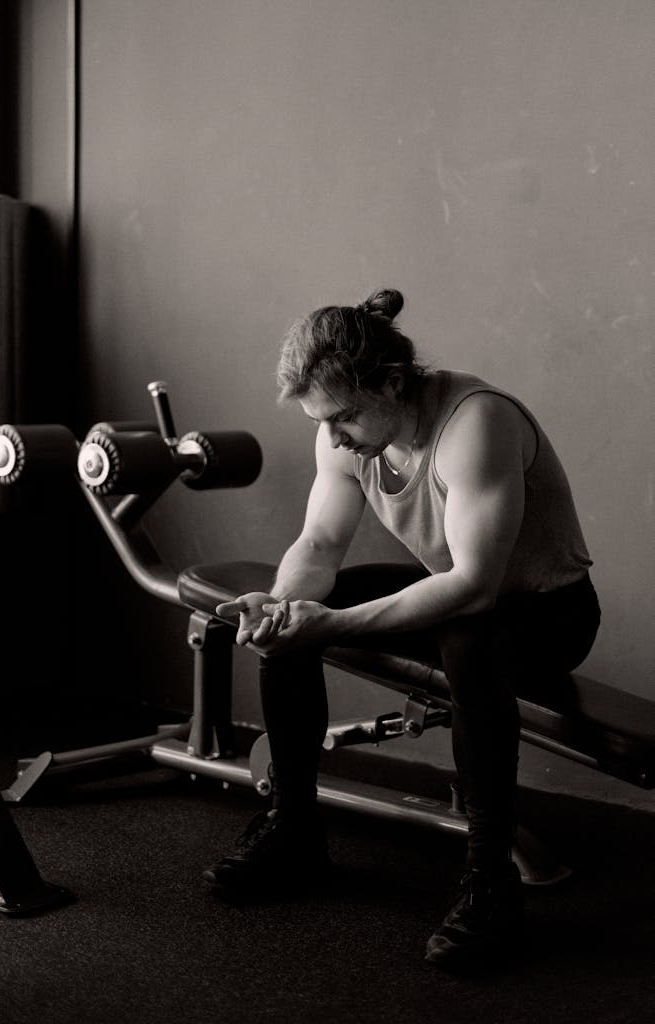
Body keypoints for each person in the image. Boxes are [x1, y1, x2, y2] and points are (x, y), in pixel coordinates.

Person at [203, 288, 601, 969]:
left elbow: (474, 585)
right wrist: (281, 609)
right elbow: (320, 545)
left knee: (467, 641)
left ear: (391, 382)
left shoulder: (476, 423)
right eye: (321, 422)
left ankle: (490, 886)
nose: (332, 437)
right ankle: (294, 830)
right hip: (455, 598)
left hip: (546, 613)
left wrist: (331, 622)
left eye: (344, 418)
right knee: (290, 626)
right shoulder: (347, 429)